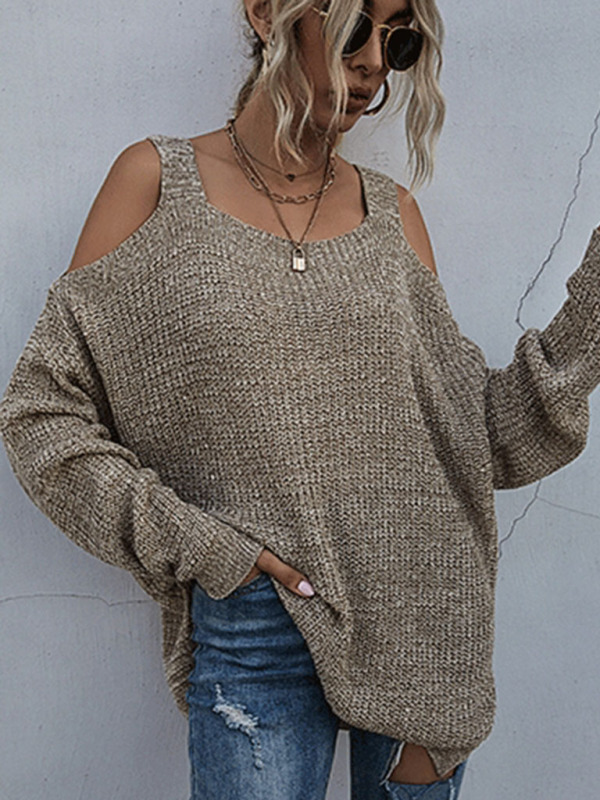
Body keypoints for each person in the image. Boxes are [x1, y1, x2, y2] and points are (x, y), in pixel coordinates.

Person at [1, 0, 599, 798]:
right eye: (355, 28)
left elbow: (474, 435)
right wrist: (208, 549)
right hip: (258, 625)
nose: (375, 62)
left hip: (424, 628)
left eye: (400, 40)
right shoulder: (157, 184)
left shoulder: (393, 215)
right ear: (265, 12)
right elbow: (42, 412)